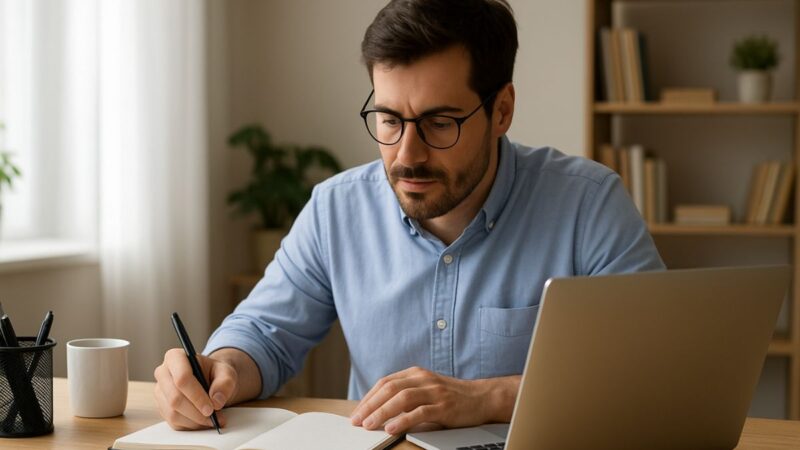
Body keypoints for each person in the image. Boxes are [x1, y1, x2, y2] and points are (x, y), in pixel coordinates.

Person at [154, 0, 664, 435]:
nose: (407, 155)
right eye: (389, 119)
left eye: (439, 123)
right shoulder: (337, 209)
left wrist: (488, 397)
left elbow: (655, 370)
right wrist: (219, 371)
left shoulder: (588, 204)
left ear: (502, 111)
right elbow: (264, 333)